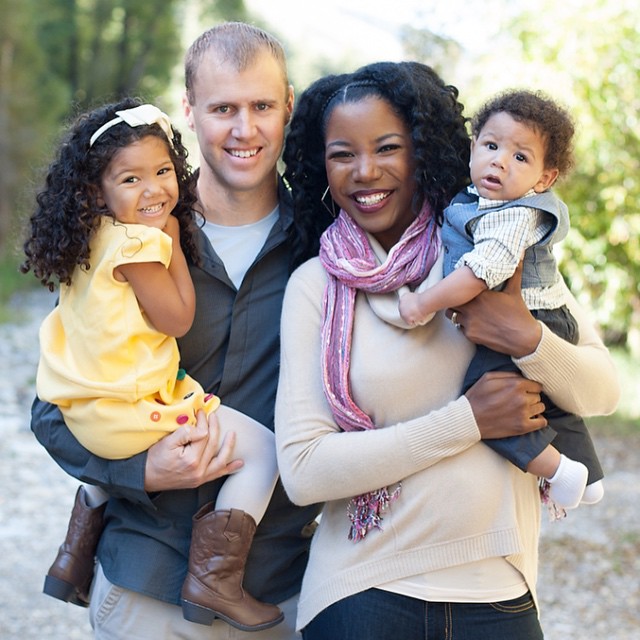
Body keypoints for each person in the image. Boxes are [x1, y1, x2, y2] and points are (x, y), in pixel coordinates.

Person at [276, 61, 620, 639]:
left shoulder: (496, 251)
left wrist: (525, 338)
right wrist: (468, 420)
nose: (366, 171)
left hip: (501, 595)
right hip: (362, 594)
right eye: (342, 154)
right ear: (322, 165)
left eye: (388, 147)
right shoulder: (316, 286)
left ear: (426, 149)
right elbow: (305, 471)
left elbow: (602, 392)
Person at [30, 22, 322, 640]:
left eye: (262, 106)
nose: (244, 130)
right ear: (189, 111)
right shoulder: (122, 232)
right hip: (145, 588)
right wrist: (139, 471)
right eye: (223, 109)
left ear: (288, 105)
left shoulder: (325, 245)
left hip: (281, 587)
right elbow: (55, 407)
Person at [398, 89, 604, 513]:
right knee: (547, 399)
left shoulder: (514, 216)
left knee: (490, 403)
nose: (500, 161)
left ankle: (560, 471)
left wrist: (423, 303)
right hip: (542, 314)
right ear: (473, 147)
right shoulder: (478, 200)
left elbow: (478, 273)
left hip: (531, 315)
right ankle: (592, 477)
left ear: (545, 179)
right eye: (491, 146)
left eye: (521, 158)